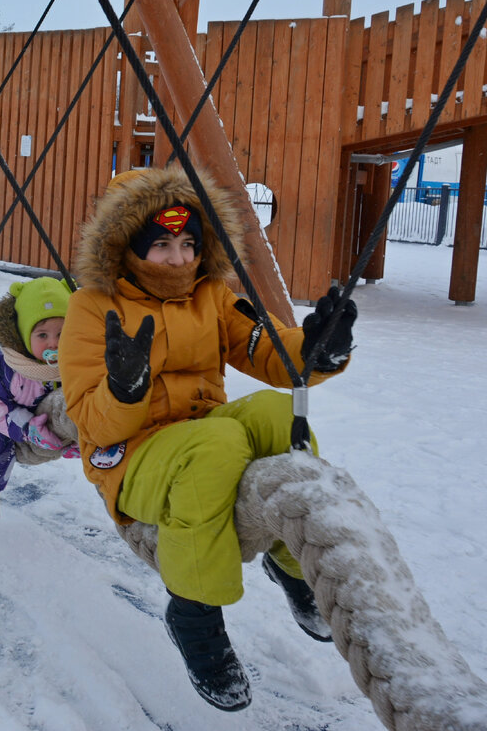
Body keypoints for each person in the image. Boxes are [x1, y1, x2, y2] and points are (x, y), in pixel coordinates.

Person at [57, 165, 356, 712]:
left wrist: (319, 348)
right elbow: (91, 422)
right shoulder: (92, 307)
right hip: (131, 455)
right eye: (163, 245)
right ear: (127, 247)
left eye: (189, 243)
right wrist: (126, 389)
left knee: (273, 411)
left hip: (201, 434)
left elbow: (265, 350)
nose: (179, 259)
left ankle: (294, 565)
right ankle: (193, 614)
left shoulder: (211, 294)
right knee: (215, 446)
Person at [0, 276, 78, 525]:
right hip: (3, 411)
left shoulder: (76, 359)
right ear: (25, 336)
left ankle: (75, 443)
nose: (54, 343)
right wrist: (26, 427)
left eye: (62, 332)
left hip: (45, 409)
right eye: (42, 335)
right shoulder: (9, 365)